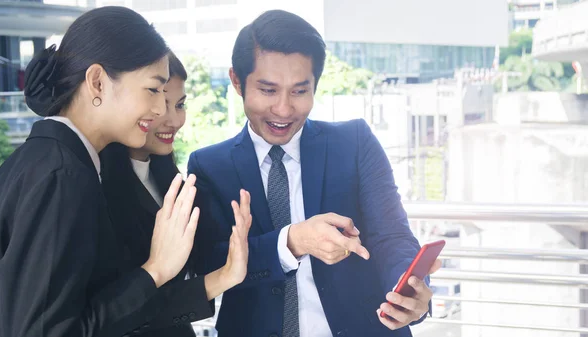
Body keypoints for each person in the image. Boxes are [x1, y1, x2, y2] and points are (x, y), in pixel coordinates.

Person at [0, 6, 246, 337]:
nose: (159, 109)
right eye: (153, 89)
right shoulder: (62, 176)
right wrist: (154, 269)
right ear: (97, 81)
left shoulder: (37, 162)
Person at [188, 9, 441, 337]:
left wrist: (409, 289)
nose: (283, 108)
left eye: (299, 90)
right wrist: (291, 242)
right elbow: (207, 263)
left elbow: (391, 234)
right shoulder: (209, 166)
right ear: (237, 81)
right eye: (267, 90)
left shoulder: (355, 142)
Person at [99, 52, 252, 337]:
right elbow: (117, 315)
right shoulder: (96, 186)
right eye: (157, 102)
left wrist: (229, 268)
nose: (173, 120)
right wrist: (220, 278)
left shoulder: (173, 182)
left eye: (179, 105)